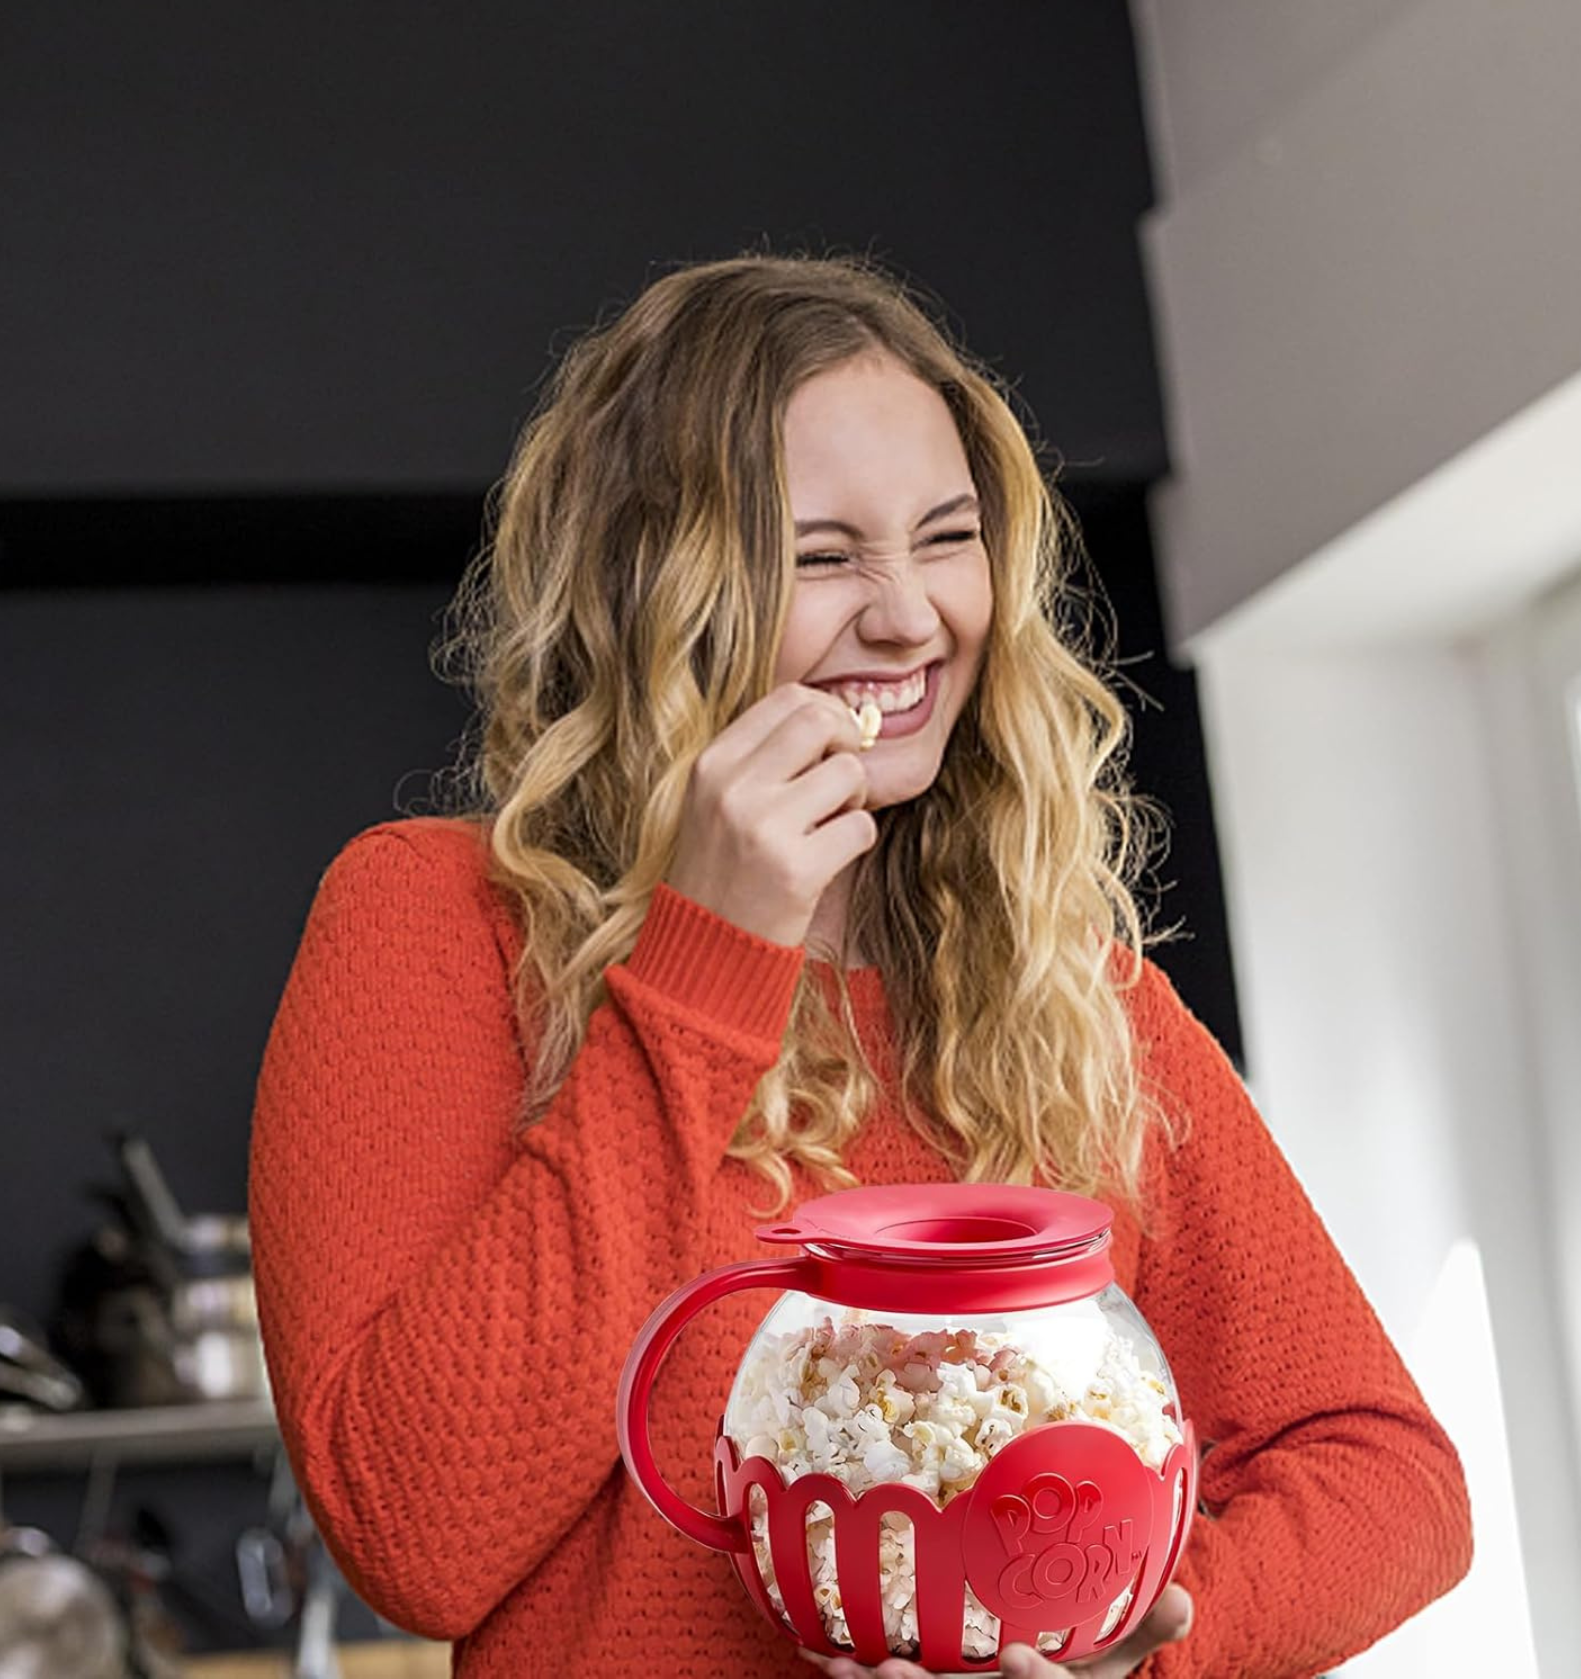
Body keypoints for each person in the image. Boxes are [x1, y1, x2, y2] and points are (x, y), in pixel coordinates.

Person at [247, 251, 1472, 1679]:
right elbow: (416, 1540)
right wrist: (706, 961)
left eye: (945, 539)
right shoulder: (439, 922)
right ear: (655, 589)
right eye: (823, 555)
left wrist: (1132, 1653)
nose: (908, 616)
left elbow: (1390, 1473)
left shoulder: (1062, 991)